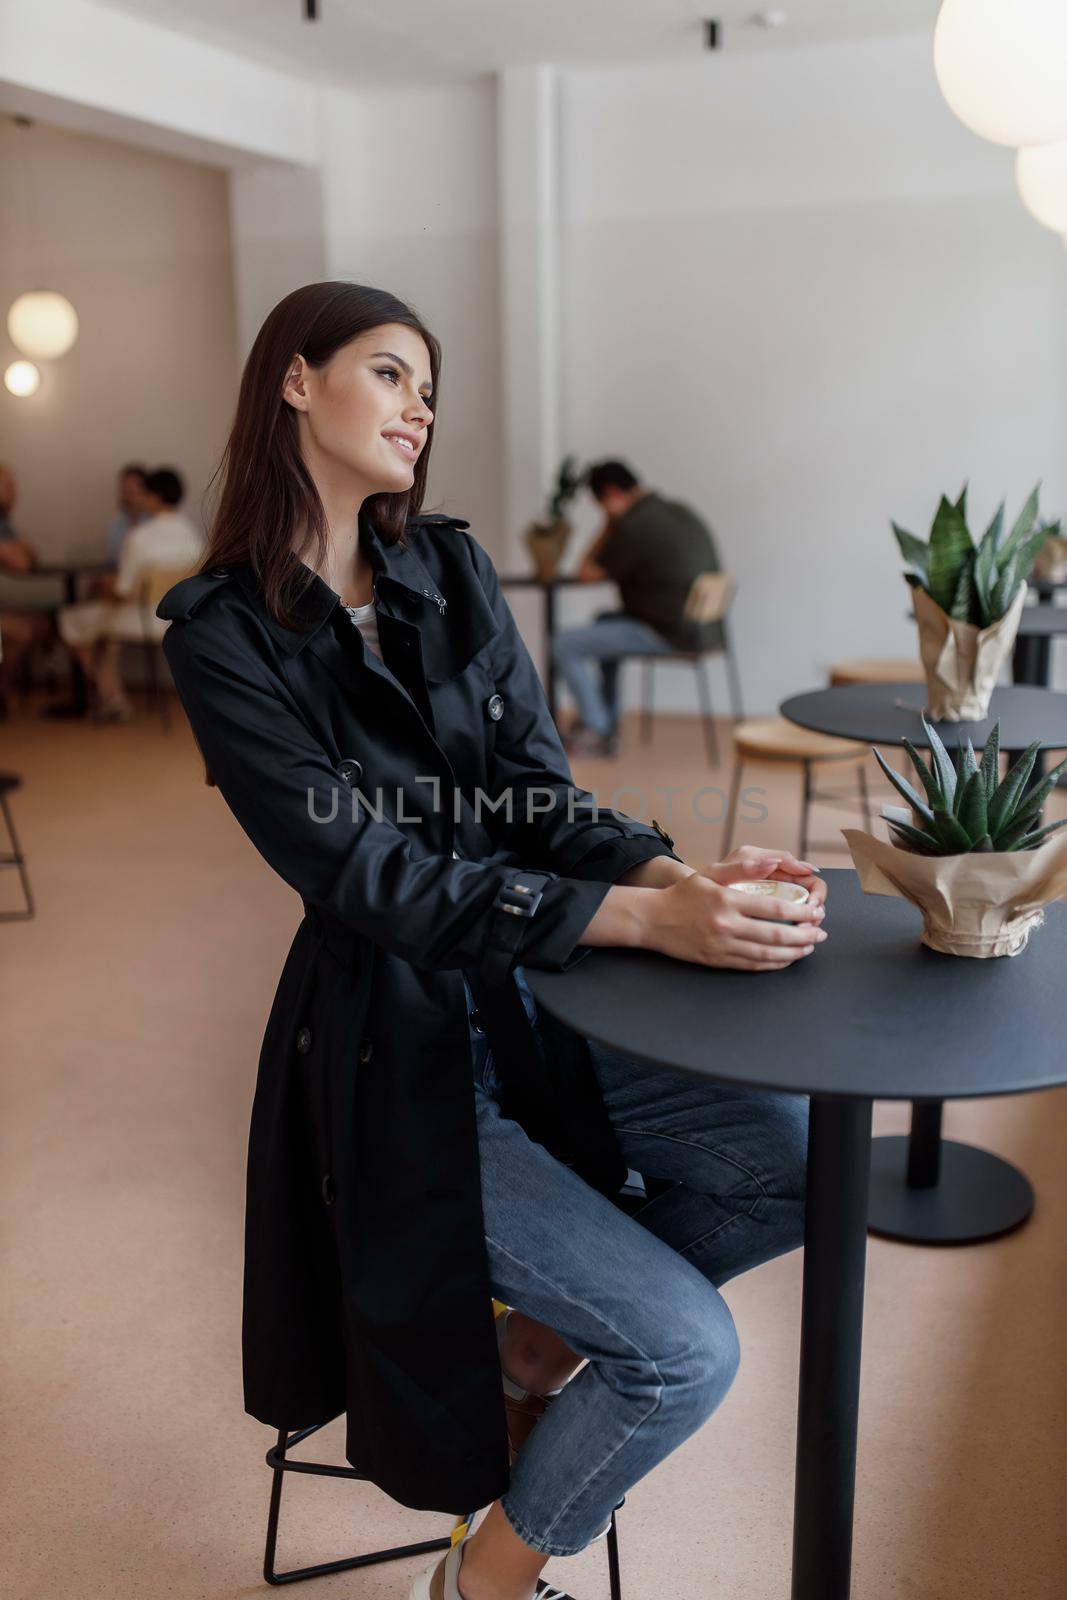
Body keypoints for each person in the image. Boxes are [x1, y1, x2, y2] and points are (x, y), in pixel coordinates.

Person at [155, 281, 826, 1600]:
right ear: (294, 380)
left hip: (530, 1004)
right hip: (388, 1051)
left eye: (426, 389)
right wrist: (641, 918)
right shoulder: (220, 632)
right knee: (683, 1354)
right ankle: (484, 1578)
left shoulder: (447, 568)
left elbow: (538, 796)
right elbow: (365, 874)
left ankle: (530, 1355)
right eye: (391, 374)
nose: (419, 409)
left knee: (790, 1157)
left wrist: (681, 875)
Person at [553, 461, 724, 757]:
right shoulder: (680, 512)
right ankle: (607, 722)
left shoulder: (636, 525)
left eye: (601, 505)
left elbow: (586, 572)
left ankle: (596, 729)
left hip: (669, 633)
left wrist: (608, 524)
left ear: (610, 493)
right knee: (603, 621)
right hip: (703, 629)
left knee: (563, 644)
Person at [56, 467, 202, 722]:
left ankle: (113, 697)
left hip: (143, 619)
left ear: (154, 497)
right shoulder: (192, 534)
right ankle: (112, 698)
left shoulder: (139, 537)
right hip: (181, 618)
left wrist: (105, 586)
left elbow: (123, 591)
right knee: (108, 634)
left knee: (71, 619)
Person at [0, 464, 54, 701]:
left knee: (43, 623)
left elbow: (33, 558)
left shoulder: (4, 522)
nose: (14, 493)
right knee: (23, 631)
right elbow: (22, 563)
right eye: (8, 487)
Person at [104, 463, 151, 565]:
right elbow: (111, 562)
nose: (126, 498)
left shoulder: (154, 524)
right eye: (123, 491)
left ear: (146, 494)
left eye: (131, 492)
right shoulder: (116, 526)